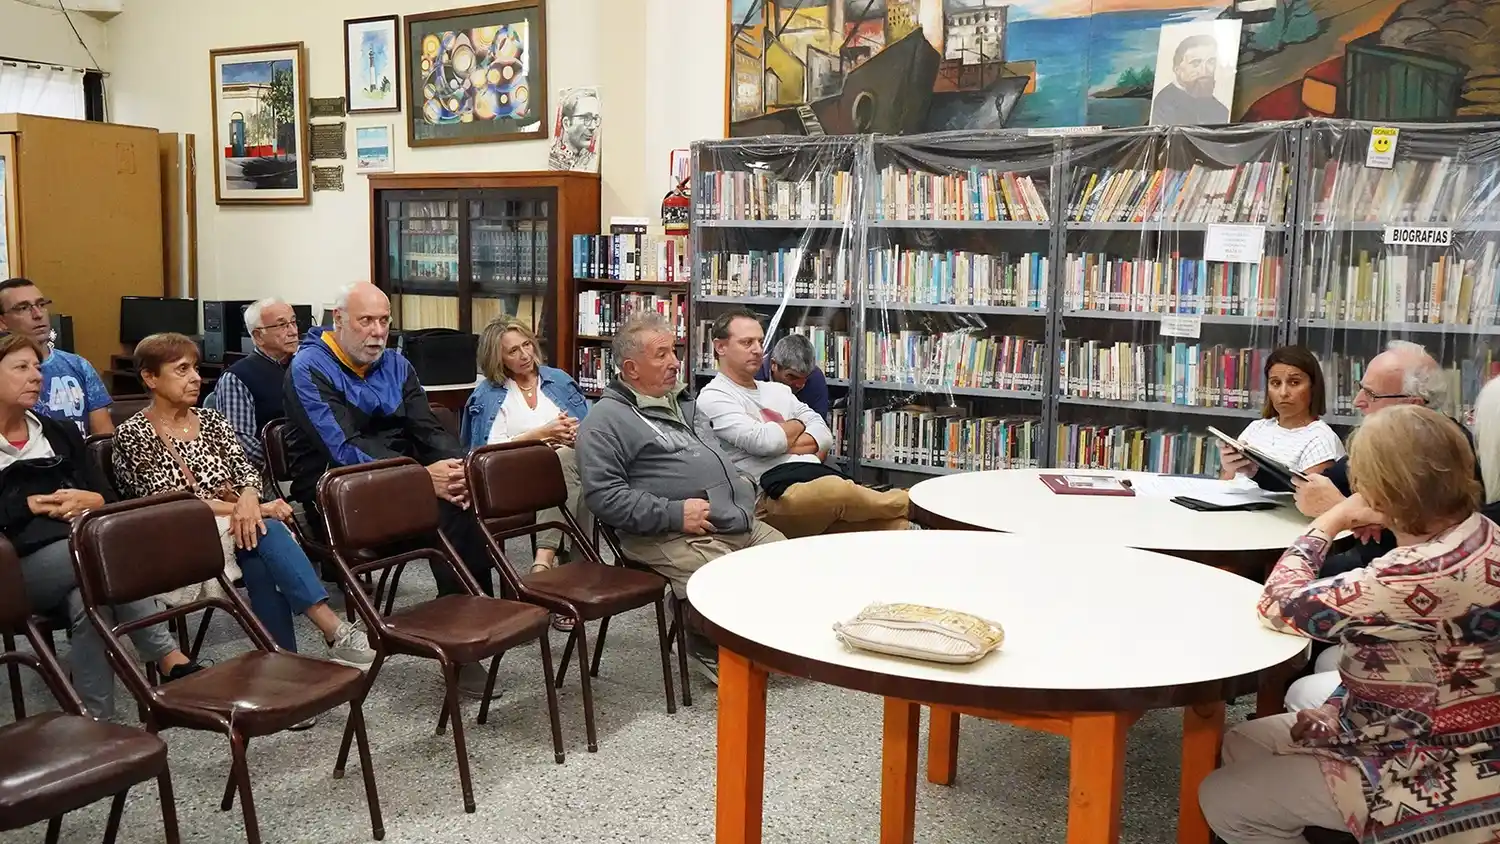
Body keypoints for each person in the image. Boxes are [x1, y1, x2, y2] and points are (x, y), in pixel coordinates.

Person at [1199, 404, 1500, 844]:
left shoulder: (1409, 576)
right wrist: (1336, 705)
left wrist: (1329, 520)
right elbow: (1408, 652)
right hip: (1434, 726)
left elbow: (1277, 603)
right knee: (1245, 742)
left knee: (1224, 798)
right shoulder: (1481, 532)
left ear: (1380, 490)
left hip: (1435, 766)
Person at [112, 333, 375, 678]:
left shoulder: (212, 420)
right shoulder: (134, 433)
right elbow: (171, 502)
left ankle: (284, 670)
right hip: (173, 537)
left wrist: (251, 499)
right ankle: (331, 630)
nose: (195, 377)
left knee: (257, 545)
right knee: (265, 529)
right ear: (150, 378)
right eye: (181, 370)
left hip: (235, 528)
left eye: (194, 367)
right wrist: (255, 509)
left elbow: (246, 471)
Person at [282, 282, 495, 696]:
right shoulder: (309, 368)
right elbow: (342, 448)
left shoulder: (398, 365)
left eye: (383, 321)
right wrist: (420, 479)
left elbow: (427, 429)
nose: (377, 332)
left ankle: (472, 625)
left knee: (459, 500)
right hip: (339, 491)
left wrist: (455, 469)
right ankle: (464, 639)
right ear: (338, 320)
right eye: (366, 321)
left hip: (401, 479)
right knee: (445, 511)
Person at [576, 310, 786, 683]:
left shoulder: (685, 403)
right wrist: (674, 514)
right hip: (665, 532)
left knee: (789, 563)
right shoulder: (605, 421)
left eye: (674, 351)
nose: (675, 362)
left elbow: (716, 456)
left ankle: (729, 634)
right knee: (725, 581)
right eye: (661, 355)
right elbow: (604, 497)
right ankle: (700, 640)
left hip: (730, 518)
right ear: (631, 368)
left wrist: (742, 486)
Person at [0, 332, 201, 719]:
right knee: (101, 554)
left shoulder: (55, 432)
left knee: (90, 604)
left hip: (77, 555)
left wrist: (92, 500)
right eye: (22, 367)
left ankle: (97, 722)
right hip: (14, 567)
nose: (37, 376)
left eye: (38, 367)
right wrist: (23, 505)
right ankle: (166, 654)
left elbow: (105, 497)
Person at [700, 308, 908, 537]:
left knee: (892, 528)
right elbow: (764, 443)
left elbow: (823, 433)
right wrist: (799, 423)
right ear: (720, 347)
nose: (758, 350)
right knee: (837, 491)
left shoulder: (778, 389)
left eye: (760, 341)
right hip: (768, 496)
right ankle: (916, 502)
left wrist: (783, 436)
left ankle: (917, 522)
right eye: (747, 342)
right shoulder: (714, 396)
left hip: (809, 475)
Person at [461, 317, 592, 630]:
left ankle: (545, 565)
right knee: (566, 468)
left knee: (570, 466)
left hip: (562, 471)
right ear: (497, 358)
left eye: (526, 345)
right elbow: (484, 453)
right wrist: (543, 434)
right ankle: (571, 583)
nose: (524, 354)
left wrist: (575, 434)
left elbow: (588, 427)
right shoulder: (490, 394)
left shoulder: (558, 380)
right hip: (509, 478)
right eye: (512, 351)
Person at [1217, 345, 1343, 488]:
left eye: (1294, 383)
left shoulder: (1321, 440)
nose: (1283, 393)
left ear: (1313, 387)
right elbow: (1226, 486)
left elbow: (1310, 501)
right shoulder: (1255, 428)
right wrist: (1229, 465)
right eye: (1275, 383)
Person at [0, 277, 113, 435]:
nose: (38, 314)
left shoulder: (79, 365)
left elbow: (104, 437)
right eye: (23, 308)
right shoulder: (4, 372)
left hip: (78, 457)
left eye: (41, 304)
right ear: (2, 322)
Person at [207, 297, 300, 488]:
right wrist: (284, 465)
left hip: (310, 462)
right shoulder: (238, 377)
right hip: (271, 473)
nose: (293, 331)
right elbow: (241, 442)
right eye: (282, 325)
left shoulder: (304, 366)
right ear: (258, 336)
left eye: (293, 322)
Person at [1150, 33, 1229, 126]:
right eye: (1196, 63)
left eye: (1211, 62)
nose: (1204, 70)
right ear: (1177, 70)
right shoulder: (1165, 104)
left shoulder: (1221, 110)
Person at [756, 332, 831, 422]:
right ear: (774, 365)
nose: (800, 385)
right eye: (792, 376)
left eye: (806, 377)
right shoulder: (753, 377)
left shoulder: (815, 377)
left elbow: (818, 425)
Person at [546, 87, 600, 173]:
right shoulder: (555, 159)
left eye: (595, 118)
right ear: (566, 123)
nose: (593, 127)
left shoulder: (591, 161)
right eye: (586, 118)